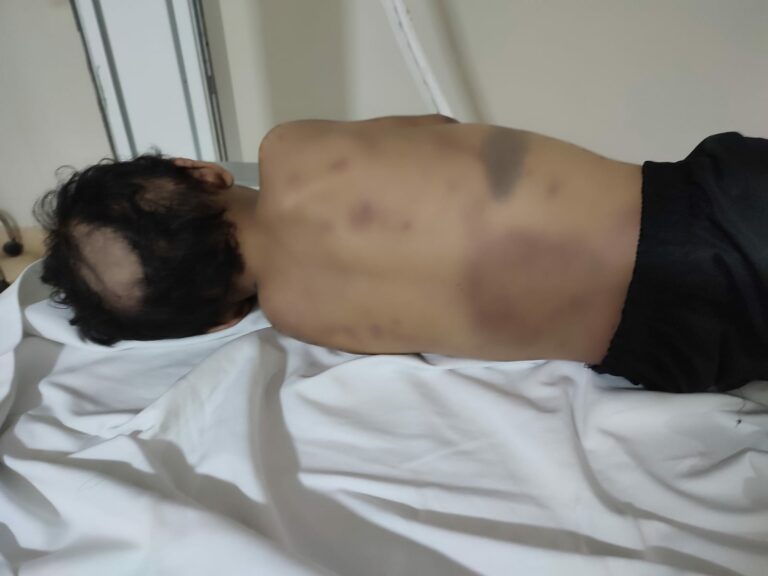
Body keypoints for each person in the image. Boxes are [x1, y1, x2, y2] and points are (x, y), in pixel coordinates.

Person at [36, 115, 768, 393]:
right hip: (707, 204)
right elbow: (436, 125)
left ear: (219, 320)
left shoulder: (302, 315)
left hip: (670, 344)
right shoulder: (291, 147)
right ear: (202, 172)